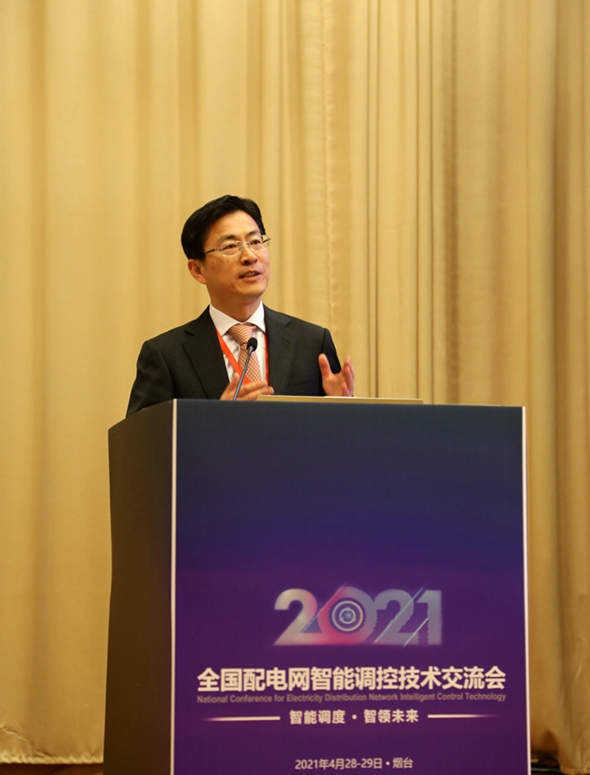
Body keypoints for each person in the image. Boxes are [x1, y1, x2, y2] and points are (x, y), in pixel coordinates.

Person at [126, 195, 354, 415]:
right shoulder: (167, 356)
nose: (249, 256)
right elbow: (141, 440)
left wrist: (345, 413)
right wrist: (215, 420)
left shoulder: (311, 343)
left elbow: (337, 437)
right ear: (198, 269)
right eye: (230, 246)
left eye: (255, 242)